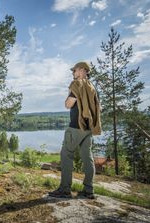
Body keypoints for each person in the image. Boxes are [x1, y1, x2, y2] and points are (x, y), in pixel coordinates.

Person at [48, 61, 102, 199]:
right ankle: (89, 191)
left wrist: (68, 97)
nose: (73, 73)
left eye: (75, 70)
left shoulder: (76, 85)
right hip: (88, 127)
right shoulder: (92, 87)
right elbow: (97, 108)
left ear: (83, 70)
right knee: (87, 157)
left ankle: (65, 190)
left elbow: (68, 104)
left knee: (66, 155)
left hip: (76, 127)